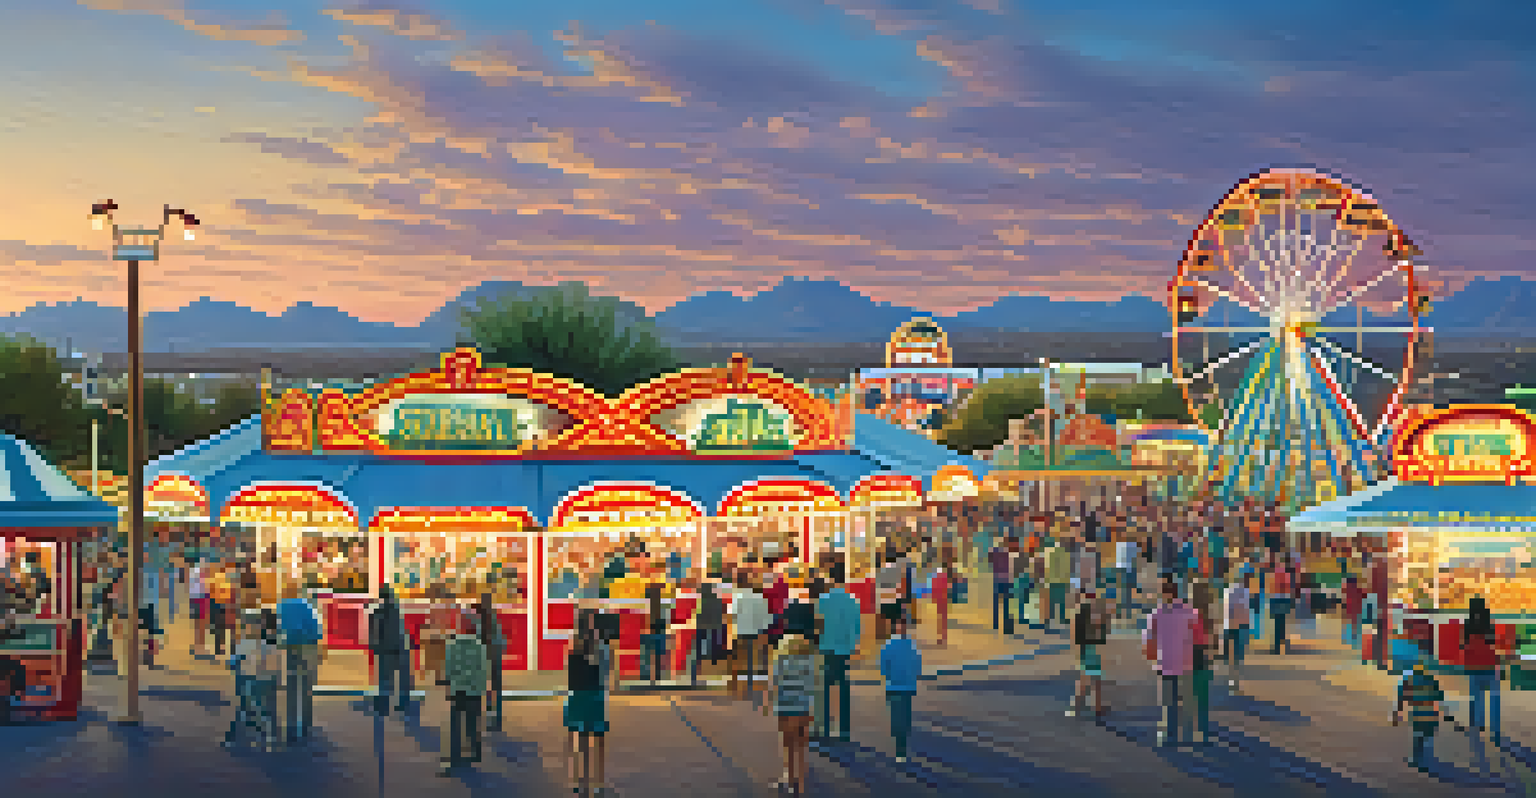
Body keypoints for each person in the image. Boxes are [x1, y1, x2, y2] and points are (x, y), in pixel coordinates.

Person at [1142, 579, 1202, 748]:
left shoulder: (1156, 614)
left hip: (1165, 662)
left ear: (1163, 593)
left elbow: (1148, 640)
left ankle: (1169, 734)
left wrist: (1151, 657)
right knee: (1186, 699)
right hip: (1186, 662)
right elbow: (1198, 637)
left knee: (1169, 701)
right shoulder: (1190, 612)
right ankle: (1188, 734)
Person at [566, 608, 614, 796]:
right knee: (599, 741)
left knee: (582, 741)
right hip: (596, 695)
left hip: (578, 696)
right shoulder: (601, 647)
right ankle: (598, 783)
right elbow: (606, 672)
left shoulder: (573, 646)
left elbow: (570, 674)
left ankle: (580, 781)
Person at [765, 632, 819, 794]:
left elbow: (774, 683)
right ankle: (800, 782)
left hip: (785, 708)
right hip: (803, 708)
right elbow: (813, 686)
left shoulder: (781, 662)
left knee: (787, 744)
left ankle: (788, 779)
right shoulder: (809, 663)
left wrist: (770, 703)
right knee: (801, 746)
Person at [224, 610, 281, 750]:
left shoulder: (245, 644)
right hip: (268, 681)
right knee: (267, 710)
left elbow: (233, 662)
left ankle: (235, 739)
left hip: (249, 680)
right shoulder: (272, 643)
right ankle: (270, 737)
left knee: (245, 709)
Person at [441, 611, 489, 775]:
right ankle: (475, 751)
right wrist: (482, 688)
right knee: (473, 722)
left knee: (456, 725)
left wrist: (449, 686)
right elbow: (484, 670)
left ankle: (455, 757)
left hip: (458, 690)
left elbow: (448, 670)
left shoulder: (452, 645)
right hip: (474, 690)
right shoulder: (480, 646)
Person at [816, 572, 861, 741]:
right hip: (844, 649)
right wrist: (854, 645)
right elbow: (856, 628)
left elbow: (818, 624)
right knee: (843, 687)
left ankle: (825, 727)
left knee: (825, 688)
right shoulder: (853, 601)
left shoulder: (823, 601)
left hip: (826, 647)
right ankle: (844, 729)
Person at [277, 587, 324, 744]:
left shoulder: (281, 606)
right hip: (308, 646)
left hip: (291, 646)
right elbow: (317, 629)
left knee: (292, 685)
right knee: (306, 686)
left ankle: (290, 724)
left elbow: (278, 628)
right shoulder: (307, 605)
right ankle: (305, 723)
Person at [879, 615, 922, 763]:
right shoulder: (913, 646)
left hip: (893, 686)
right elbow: (918, 668)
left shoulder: (888, 645)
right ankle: (902, 747)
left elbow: (883, 669)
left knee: (895, 717)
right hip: (908, 686)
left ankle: (899, 748)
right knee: (905, 716)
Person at [1463, 596, 1502, 744]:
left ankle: (1477, 725)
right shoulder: (1489, 625)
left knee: (1476, 697)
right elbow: (1492, 644)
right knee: (1494, 698)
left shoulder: (1468, 624)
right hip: (1490, 665)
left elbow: (1465, 646)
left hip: (1474, 666)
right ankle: (1495, 729)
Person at [369, 584, 413, 715]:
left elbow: (374, 633)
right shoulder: (397, 610)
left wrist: (375, 647)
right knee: (402, 679)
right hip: (400, 647)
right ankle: (403, 704)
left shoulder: (378, 612)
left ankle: (383, 706)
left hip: (386, 649)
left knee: (384, 678)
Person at [1395, 661, 1445, 769]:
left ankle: (1417, 760)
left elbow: (1401, 695)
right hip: (1430, 712)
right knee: (1426, 735)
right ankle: (1425, 759)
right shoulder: (1431, 680)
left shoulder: (1409, 679)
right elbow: (1439, 696)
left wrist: (1399, 711)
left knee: (1418, 735)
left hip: (1419, 712)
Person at [1068, 589, 1109, 719]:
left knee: (1085, 678)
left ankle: (1080, 707)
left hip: (1084, 647)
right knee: (1093, 679)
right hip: (1091, 646)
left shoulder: (1077, 610)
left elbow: (1074, 632)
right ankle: (1093, 707)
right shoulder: (1091, 610)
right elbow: (1100, 628)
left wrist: (1076, 648)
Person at [729, 573, 771, 702]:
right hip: (757, 632)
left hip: (741, 631)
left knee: (741, 661)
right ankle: (753, 685)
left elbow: (733, 615)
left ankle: (740, 689)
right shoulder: (760, 598)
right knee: (755, 661)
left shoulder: (738, 597)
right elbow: (766, 618)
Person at [1188, 580, 1217, 745]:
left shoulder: (1189, 613)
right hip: (1204, 654)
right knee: (1202, 695)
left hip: (1190, 654)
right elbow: (1213, 640)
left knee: (1190, 694)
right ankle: (1203, 730)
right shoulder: (1208, 615)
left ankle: (1191, 728)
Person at [476, 593, 506, 729]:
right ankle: (496, 717)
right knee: (495, 689)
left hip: (487, 659)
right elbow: (500, 640)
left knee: (487, 689)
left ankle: (490, 715)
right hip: (495, 658)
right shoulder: (494, 619)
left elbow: (480, 640)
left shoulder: (482, 620)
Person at [1222, 570, 1251, 692]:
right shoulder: (1245, 592)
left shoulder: (1228, 591)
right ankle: (1235, 680)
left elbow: (1225, 610)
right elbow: (1246, 610)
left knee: (1231, 657)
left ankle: (1232, 679)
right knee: (1238, 656)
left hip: (1230, 626)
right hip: (1241, 626)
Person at [694, 578, 726, 685]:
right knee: (713, 643)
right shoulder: (716, 599)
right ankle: (714, 662)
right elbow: (720, 612)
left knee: (699, 643)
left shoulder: (700, 600)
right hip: (714, 625)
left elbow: (697, 613)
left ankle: (698, 662)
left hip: (701, 625)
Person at [641, 582, 670, 685]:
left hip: (654, 631)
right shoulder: (658, 607)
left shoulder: (651, 607)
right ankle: (654, 676)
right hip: (655, 631)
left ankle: (649, 676)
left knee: (651, 654)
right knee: (655, 654)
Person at [1269, 556, 1295, 655]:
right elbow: (1288, 588)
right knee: (1282, 623)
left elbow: (1272, 587)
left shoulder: (1275, 574)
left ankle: (1277, 647)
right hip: (1284, 599)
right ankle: (1282, 645)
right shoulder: (1287, 574)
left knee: (1277, 624)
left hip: (1277, 599)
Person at [1044, 538, 1071, 628]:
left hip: (1054, 581)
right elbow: (1067, 569)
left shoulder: (1052, 553)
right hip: (1060, 581)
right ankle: (1060, 619)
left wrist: (1047, 581)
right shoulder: (1065, 554)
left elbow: (1049, 569)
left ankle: (1050, 619)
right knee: (1060, 601)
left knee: (1054, 601)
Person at [1115, 536, 1139, 618]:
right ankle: (1125, 612)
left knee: (1127, 592)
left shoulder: (1132, 545)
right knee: (1124, 592)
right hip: (1125, 571)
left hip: (1129, 571)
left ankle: (1126, 612)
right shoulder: (1121, 545)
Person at [1342, 575, 1365, 649]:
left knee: (1351, 624)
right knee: (1355, 625)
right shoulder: (1358, 590)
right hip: (1356, 610)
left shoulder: (1348, 591)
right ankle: (1354, 640)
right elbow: (1363, 597)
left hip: (1352, 610)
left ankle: (1349, 639)